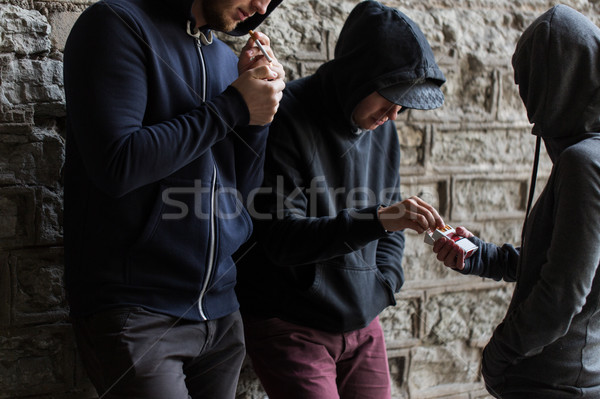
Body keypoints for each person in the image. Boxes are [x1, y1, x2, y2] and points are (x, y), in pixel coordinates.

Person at [62, 0, 285, 397]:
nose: (260, 5)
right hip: (139, 310)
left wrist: (256, 120)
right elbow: (118, 165)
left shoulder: (222, 58)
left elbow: (241, 192)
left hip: (221, 315)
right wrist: (233, 105)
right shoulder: (116, 25)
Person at [235, 2, 446, 398]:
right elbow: (280, 237)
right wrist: (379, 220)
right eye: (389, 98)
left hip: (364, 323)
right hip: (289, 321)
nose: (394, 114)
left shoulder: (382, 128)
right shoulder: (286, 116)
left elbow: (391, 223)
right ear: (356, 76)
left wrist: (384, 282)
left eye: (403, 103)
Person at [432, 5, 600, 398]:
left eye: (527, 82)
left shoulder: (584, 162)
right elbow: (574, 261)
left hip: (551, 381)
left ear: (550, 83)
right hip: (576, 375)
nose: (525, 102)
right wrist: (484, 256)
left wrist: (500, 353)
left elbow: (565, 290)